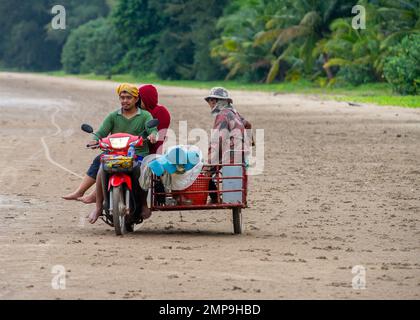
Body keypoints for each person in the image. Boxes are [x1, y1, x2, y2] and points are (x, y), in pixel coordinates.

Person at [68, 83, 157, 224]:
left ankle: (143, 205)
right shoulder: (113, 116)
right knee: (101, 169)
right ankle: (98, 207)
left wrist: (152, 135)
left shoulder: (145, 115)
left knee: (143, 172)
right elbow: (101, 132)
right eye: (122, 97)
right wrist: (94, 139)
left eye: (128, 97)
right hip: (114, 154)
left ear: (136, 99)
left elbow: (152, 129)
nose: (125, 101)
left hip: (138, 154)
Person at [204, 87, 252, 203]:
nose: (210, 104)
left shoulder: (222, 115)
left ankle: (215, 198)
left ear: (216, 101)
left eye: (211, 101)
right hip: (241, 153)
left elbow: (218, 140)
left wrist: (209, 162)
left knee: (203, 171)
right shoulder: (234, 112)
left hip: (229, 154)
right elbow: (248, 124)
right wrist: (250, 141)